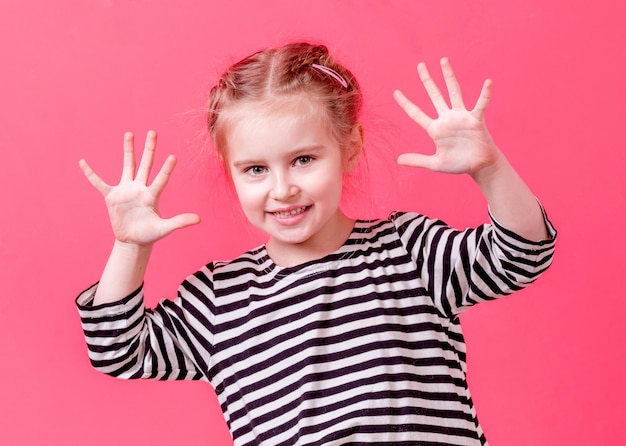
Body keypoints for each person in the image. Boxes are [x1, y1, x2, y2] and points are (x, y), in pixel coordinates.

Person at [76, 42, 556, 445]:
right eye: (256, 169)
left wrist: (489, 169)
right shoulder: (221, 298)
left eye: (303, 159)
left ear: (349, 149)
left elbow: (522, 253)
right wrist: (130, 247)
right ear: (232, 173)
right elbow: (118, 349)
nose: (282, 189)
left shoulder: (408, 252)